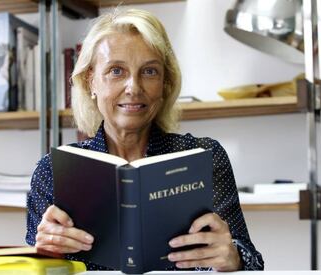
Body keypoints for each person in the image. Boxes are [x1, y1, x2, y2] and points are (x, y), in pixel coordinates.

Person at [26, 8, 264, 271]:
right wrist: (46, 255)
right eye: (116, 71)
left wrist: (233, 258)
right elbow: (34, 268)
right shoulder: (53, 171)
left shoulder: (204, 156)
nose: (134, 88)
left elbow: (251, 262)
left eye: (149, 71)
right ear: (90, 81)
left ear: (165, 84)